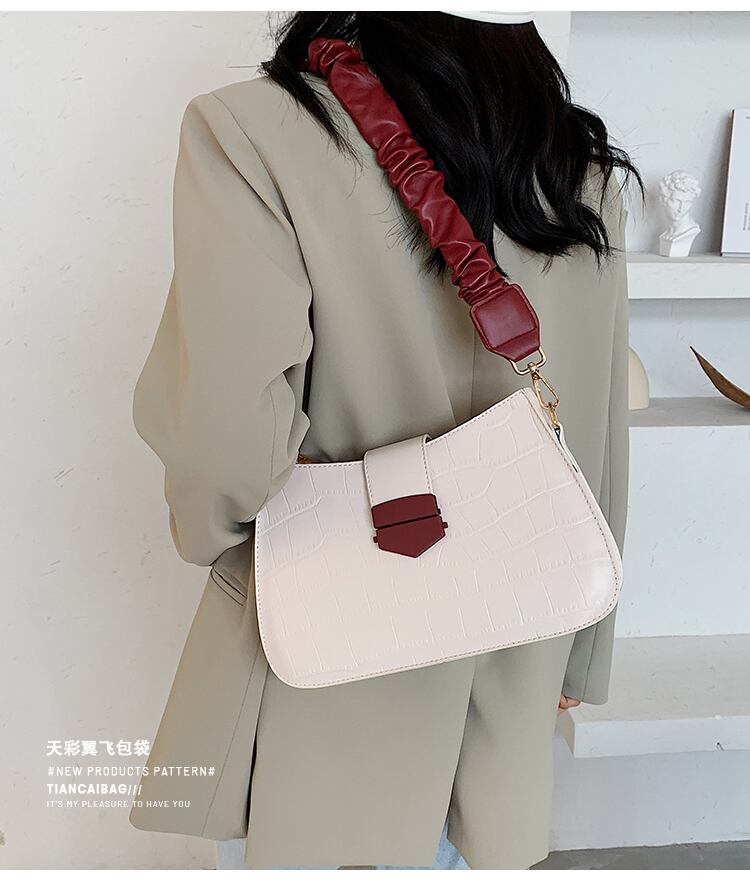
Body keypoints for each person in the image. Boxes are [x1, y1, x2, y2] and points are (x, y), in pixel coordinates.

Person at [129, 11, 640, 871]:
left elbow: (222, 444)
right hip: (515, 656)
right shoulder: (578, 165)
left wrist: (213, 537)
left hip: (325, 683)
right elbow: (593, 439)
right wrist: (581, 656)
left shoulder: (252, 133)